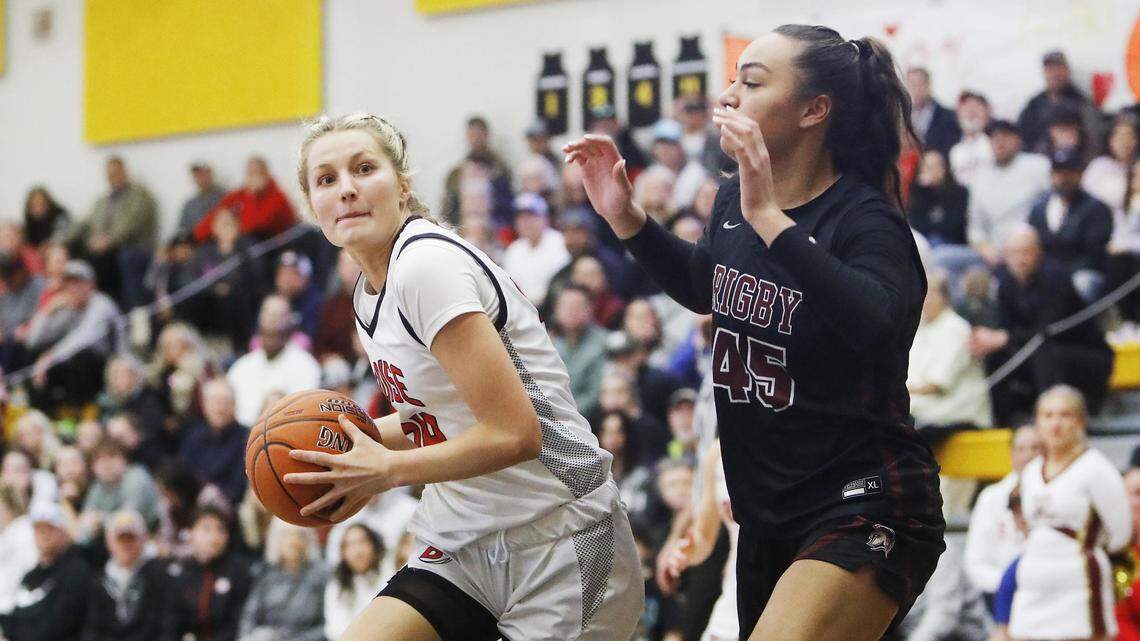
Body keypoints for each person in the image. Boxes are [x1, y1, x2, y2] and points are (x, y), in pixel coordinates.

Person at [564, 25, 945, 641]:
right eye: (735, 76)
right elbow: (705, 284)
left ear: (814, 110)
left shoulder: (865, 220)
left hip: (862, 498)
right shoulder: (731, 200)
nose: (731, 93)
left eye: (754, 80)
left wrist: (768, 217)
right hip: (766, 512)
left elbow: (878, 327)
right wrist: (627, 218)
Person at [289, 112, 643, 641]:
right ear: (313, 205)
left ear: (402, 186)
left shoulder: (424, 267)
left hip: (561, 538)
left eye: (364, 169)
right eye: (327, 179)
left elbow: (515, 432)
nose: (346, 190)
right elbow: (436, 417)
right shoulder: (368, 291)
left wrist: (385, 470)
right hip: (462, 542)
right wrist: (341, 448)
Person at [1008, 385, 1131, 641]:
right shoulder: (1031, 472)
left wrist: (1085, 548)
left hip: (1079, 586)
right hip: (1032, 587)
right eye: (1048, 415)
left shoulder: (1096, 467)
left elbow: (1121, 532)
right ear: (1038, 421)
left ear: (1081, 421)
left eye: (1065, 415)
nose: (1056, 424)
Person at [970, 226, 1114, 422]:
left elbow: (1047, 330)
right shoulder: (1006, 283)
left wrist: (1004, 337)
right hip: (1042, 351)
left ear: (1038, 253)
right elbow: (1005, 326)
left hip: (1087, 356)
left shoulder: (1056, 278)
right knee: (996, 355)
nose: (1020, 259)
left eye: (1025, 252)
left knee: (1043, 353)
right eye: (1013, 253)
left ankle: (1049, 418)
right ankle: (1001, 423)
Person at [963, 425, 1042, 609]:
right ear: (1011, 454)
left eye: (1035, 448)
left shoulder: (1058, 494)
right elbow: (975, 562)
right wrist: (1008, 584)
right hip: (1000, 592)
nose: (1028, 455)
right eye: (1021, 449)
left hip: (1046, 591)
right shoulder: (991, 497)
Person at [65, 157, 159, 308]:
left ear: (125, 172)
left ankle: (117, 310)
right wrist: (61, 241)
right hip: (100, 248)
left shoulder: (139, 196)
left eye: (116, 173)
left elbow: (132, 225)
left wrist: (109, 240)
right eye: (109, 175)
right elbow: (84, 222)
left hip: (130, 247)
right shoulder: (102, 201)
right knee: (74, 255)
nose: (112, 178)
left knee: (109, 259)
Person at [1027, 148, 1113, 302]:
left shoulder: (1096, 208)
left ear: (1080, 174)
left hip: (1081, 272)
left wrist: (1059, 274)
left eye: (1069, 173)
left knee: (1083, 282)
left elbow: (1094, 255)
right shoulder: (1040, 207)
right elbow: (1032, 244)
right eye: (1059, 173)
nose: (1063, 179)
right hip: (1043, 272)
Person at [0, 501, 93, 641]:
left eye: (50, 528)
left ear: (63, 532)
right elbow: (15, 618)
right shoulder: (31, 575)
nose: (44, 535)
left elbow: (60, 625)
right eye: (39, 529)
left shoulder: (76, 571)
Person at [226, 294, 321, 427]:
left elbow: (304, 413)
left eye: (275, 335)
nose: (272, 319)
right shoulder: (242, 365)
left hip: (283, 432)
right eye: (266, 334)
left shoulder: (306, 365)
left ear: (288, 330)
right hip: (240, 436)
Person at [965, 120, 1051, 267]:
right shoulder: (980, 176)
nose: (999, 142)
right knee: (945, 258)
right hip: (993, 252)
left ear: (1017, 139)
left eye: (1005, 137)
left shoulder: (1038, 166)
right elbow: (975, 227)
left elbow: (1053, 208)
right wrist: (985, 248)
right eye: (994, 138)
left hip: (1030, 247)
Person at [162, 506, 253, 641]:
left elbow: (240, 621)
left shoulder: (238, 571)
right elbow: (171, 623)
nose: (214, 537)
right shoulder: (182, 573)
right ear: (192, 533)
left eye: (220, 530)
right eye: (206, 530)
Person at [82, 509, 168, 641]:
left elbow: (167, 626)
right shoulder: (98, 582)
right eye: (120, 539)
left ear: (143, 539)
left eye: (131, 538)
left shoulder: (159, 576)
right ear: (109, 542)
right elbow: (92, 629)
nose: (126, 545)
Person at [238, 519, 327, 641]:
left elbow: (327, 625)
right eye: (287, 535)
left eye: (299, 535)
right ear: (276, 540)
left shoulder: (321, 575)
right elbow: (249, 617)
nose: (293, 541)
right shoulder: (265, 574)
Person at [1018, 50, 1106, 158]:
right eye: (1050, 69)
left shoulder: (1083, 103)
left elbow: (1096, 139)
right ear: (1044, 72)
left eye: (1059, 68)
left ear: (1068, 71)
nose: (1055, 73)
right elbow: (1022, 139)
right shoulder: (1033, 105)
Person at [192, 156, 298, 243]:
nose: (253, 178)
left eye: (257, 173)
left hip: (274, 248)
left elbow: (253, 226)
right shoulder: (239, 194)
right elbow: (214, 216)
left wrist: (251, 196)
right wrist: (197, 238)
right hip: (246, 247)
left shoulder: (278, 197)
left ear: (266, 175)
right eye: (250, 174)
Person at [178, 378, 248, 507]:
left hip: (229, 505)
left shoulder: (247, 438)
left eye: (225, 402)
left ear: (234, 405)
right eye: (215, 402)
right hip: (193, 503)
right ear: (204, 406)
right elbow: (184, 474)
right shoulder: (194, 437)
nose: (220, 409)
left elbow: (239, 486)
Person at [324, 523, 389, 641]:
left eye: (362, 542)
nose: (358, 552)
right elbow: (334, 629)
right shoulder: (337, 584)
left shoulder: (391, 573)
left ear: (374, 545)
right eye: (350, 545)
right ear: (343, 553)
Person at [907, 149, 969, 248]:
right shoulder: (919, 193)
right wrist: (923, 191)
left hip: (954, 244)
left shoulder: (959, 192)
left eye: (932, 167)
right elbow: (915, 224)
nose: (927, 171)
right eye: (924, 167)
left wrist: (932, 226)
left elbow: (954, 226)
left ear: (943, 168)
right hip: (927, 243)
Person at [906, 66, 962, 156]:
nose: (916, 90)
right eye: (912, 85)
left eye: (920, 84)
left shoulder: (948, 117)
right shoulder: (901, 118)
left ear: (928, 85)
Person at [948, 91, 994, 187]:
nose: (971, 113)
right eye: (966, 108)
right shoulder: (952, 148)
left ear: (988, 112)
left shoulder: (996, 144)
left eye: (977, 108)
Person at [177, 162, 226, 236]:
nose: (201, 178)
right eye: (197, 175)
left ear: (211, 175)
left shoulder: (224, 198)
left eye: (204, 174)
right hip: (195, 243)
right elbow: (182, 229)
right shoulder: (190, 204)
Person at [22, 186, 70, 251]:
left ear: (48, 204)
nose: (38, 208)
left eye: (41, 204)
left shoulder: (59, 214)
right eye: (34, 205)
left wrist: (49, 243)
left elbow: (63, 235)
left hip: (57, 250)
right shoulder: (29, 221)